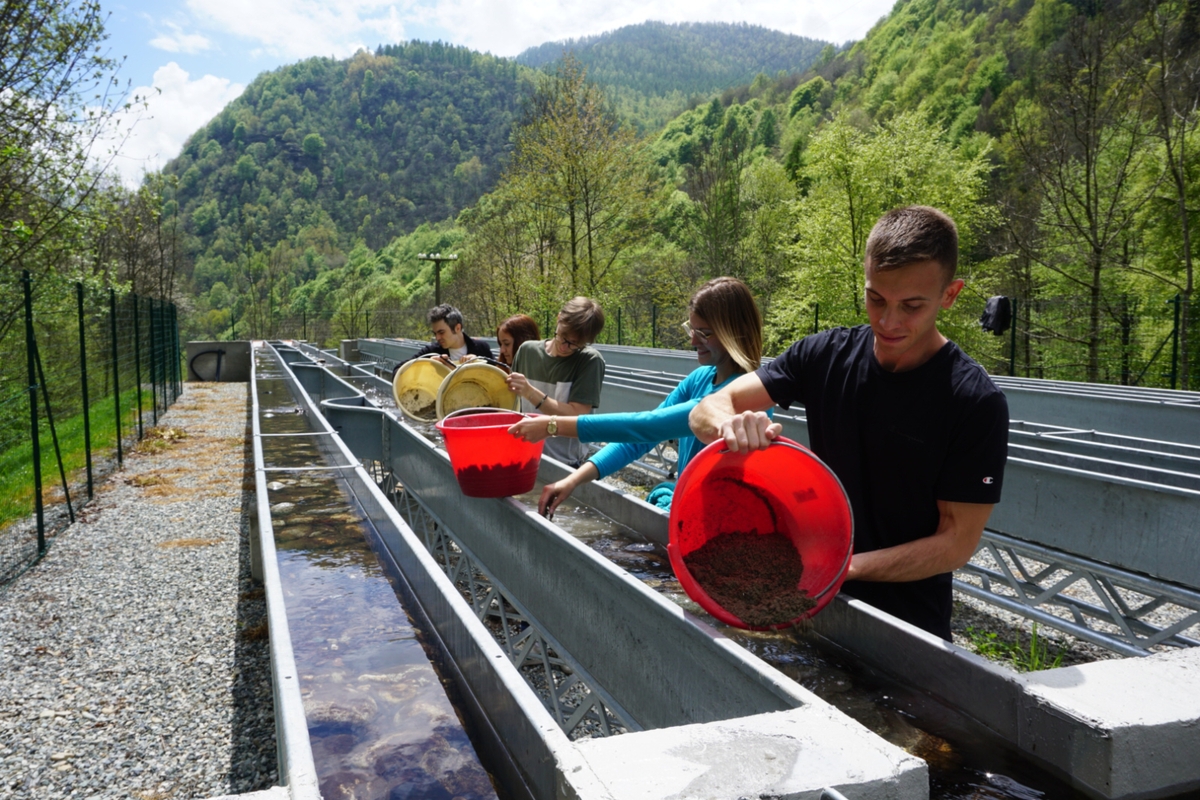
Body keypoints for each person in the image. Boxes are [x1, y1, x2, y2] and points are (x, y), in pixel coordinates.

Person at [689, 206, 1009, 641]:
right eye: (876, 298)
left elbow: (956, 542)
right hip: (807, 605)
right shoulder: (824, 355)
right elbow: (707, 408)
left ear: (949, 295)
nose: (888, 321)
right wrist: (730, 426)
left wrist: (845, 567)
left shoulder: (973, 401)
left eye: (911, 306)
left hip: (906, 629)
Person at [508, 277, 765, 519]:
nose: (692, 341)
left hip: (721, 517)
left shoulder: (748, 393)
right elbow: (638, 440)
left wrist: (551, 425)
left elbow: (646, 425)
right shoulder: (700, 378)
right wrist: (574, 479)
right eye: (691, 329)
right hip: (690, 509)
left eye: (705, 333)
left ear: (734, 332)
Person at [505, 297, 606, 466]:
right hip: (523, 454)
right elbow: (511, 403)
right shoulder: (527, 351)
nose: (565, 347)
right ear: (559, 318)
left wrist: (531, 393)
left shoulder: (590, 361)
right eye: (563, 336)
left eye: (575, 343)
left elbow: (576, 416)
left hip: (563, 462)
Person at [407, 304, 493, 366]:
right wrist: (428, 364)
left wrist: (479, 362)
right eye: (435, 333)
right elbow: (401, 368)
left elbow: (497, 375)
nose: (437, 338)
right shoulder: (431, 352)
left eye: (441, 332)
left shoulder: (481, 349)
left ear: (457, 328)